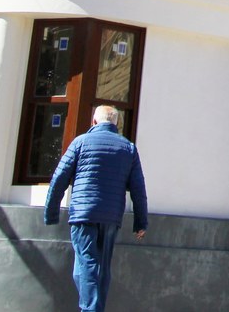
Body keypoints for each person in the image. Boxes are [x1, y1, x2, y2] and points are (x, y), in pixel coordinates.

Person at [44, 105, 149, 312]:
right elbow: (138, 188)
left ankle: (90, 309)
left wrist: (51, 213)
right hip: (111, 216)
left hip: (83, 214)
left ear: (93, 121)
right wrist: (141, 223)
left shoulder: (80, 142)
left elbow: (59, 178)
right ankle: (94, 307)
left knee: (86, 263)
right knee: (100, 266)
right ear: (117, 124)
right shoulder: (128, 148)